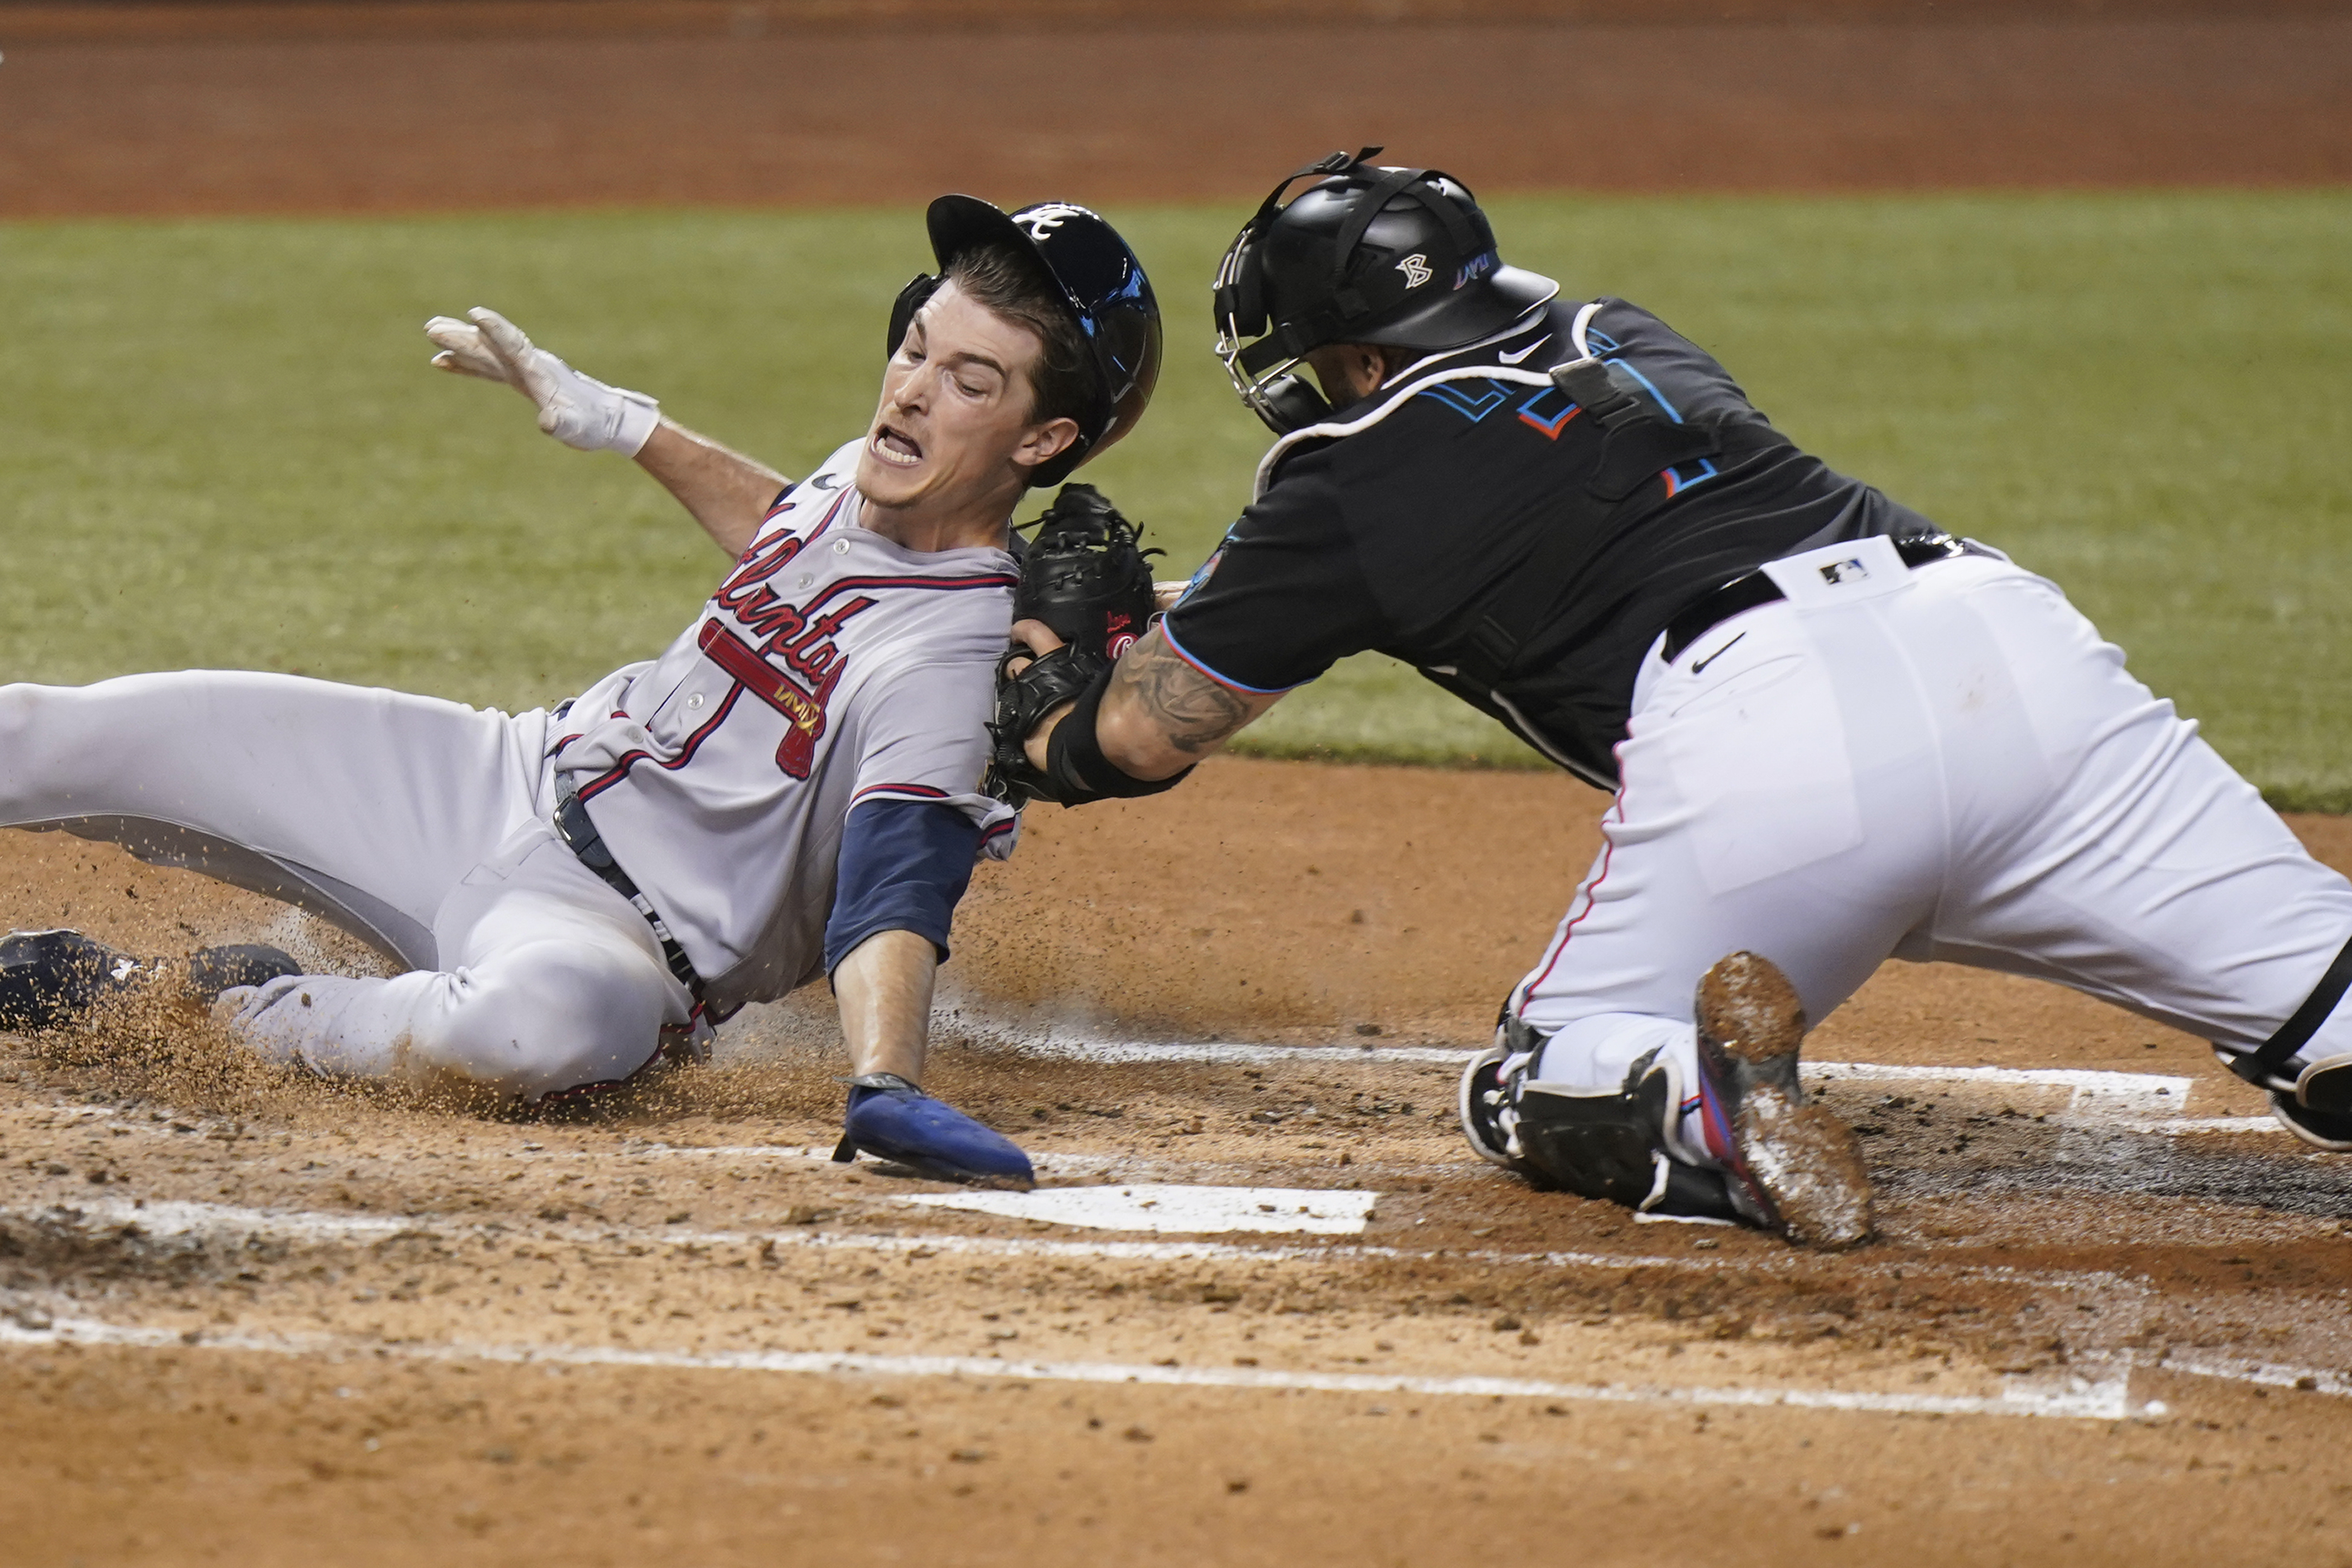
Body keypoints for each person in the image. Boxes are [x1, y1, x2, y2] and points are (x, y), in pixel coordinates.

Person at [997, 149, 2352, 1245]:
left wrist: (1047, 694)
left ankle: (1684, 1103)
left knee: (1538, 1081)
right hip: (2010, 659)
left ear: (1347, 357)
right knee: (2328, 992)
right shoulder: (1616, 330)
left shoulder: (1344, 474)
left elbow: (1128, 736)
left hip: (1776, 743)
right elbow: (1547, 526)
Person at [0, 195, 1160, 1189]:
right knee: (58, 733)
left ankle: (192, 1004)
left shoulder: (948, 670)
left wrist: (885, 1081)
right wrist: (630, 426)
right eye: (914, 348)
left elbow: (898, 882)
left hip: (610, 942)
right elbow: (787, 533)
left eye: (968, 381)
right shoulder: (870, 479)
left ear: (1042, 437)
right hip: (485, 778)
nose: (910, 391)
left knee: (529, 1032)